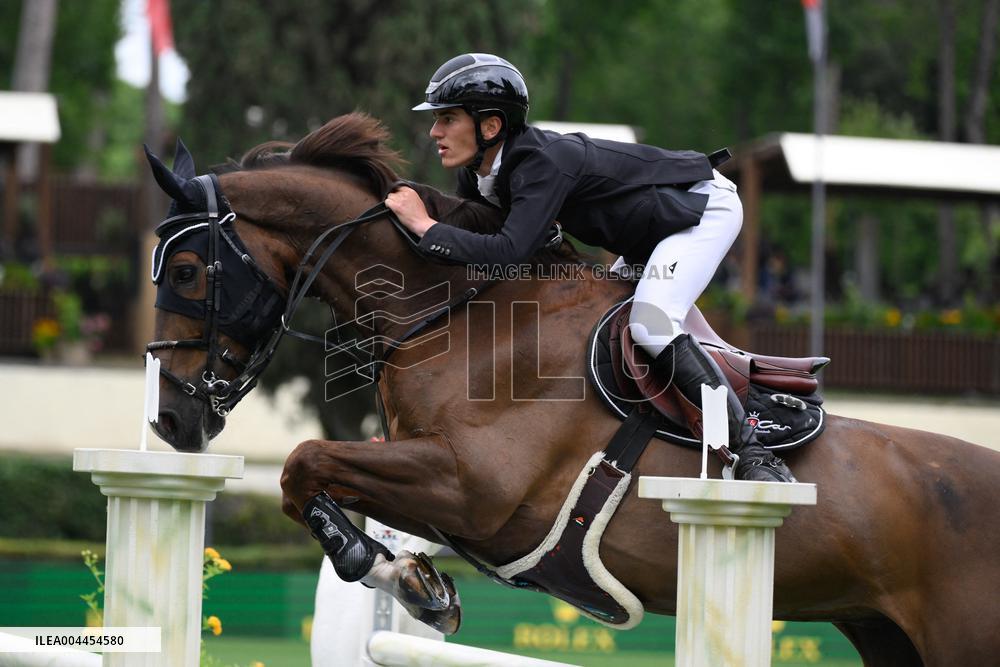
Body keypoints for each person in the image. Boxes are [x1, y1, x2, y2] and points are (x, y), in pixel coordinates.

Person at [386, 53, 794, 483]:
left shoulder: (543, 162)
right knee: (592, 326)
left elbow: (506, 251)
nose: (435, 131)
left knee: (651, 324)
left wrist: (424, 224)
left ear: (490, 126)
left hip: (702, 209)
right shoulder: (481, 174)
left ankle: (754, 452)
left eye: (447, 118)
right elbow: (482, 246)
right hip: (646, 237)